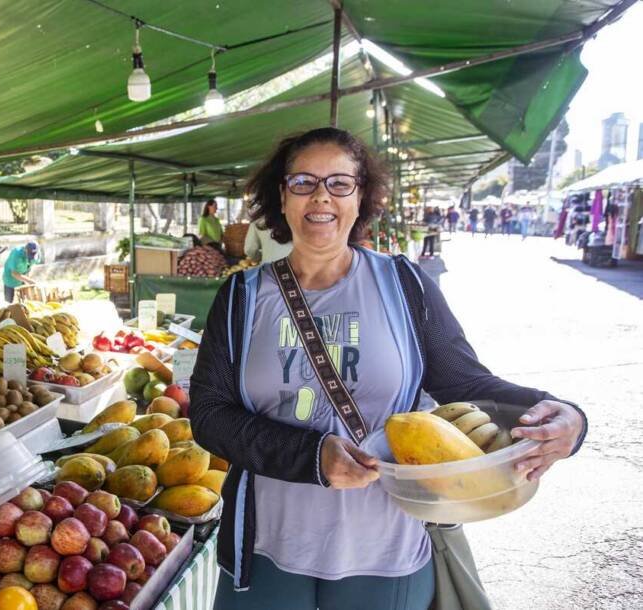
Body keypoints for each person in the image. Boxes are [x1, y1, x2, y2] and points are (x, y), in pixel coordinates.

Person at [189, 127, 587, 610]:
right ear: (283, 195)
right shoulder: (242, 297)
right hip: (268, 546)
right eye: (304, 182)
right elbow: (209, 413)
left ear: (360, 197)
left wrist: (563, 415)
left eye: (340, 183)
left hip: (388, 548)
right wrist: (311, 456)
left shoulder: (404, 285)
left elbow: (465, 382)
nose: (321, 197)